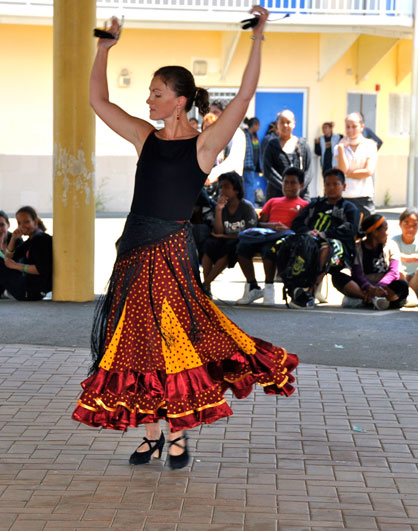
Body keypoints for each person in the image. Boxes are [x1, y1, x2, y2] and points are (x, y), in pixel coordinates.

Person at [72, 9, 297, 471]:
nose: (148, 100)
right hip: (133, 253)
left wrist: (257, 39)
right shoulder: (145, 137)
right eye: (149, 92)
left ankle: (176, 433)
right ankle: (153, 435)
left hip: (170, 256)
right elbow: (97, 100)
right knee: (134, 341)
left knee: (173, 341)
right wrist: (103, 49)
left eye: (156, 93)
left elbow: (244, 96)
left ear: (179, 101)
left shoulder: (204, 145)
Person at [287, 168, 360, 308]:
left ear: (343, 186)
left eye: (335, 184)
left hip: (339, 248)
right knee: (287, 243)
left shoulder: (349, 208)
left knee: (325, 247)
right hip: (311, 240)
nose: (331, 188)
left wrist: (325, 234)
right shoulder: (315, 205)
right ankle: (293, 288)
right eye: (327, 184)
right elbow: (297, 223)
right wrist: (309, 232)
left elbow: (350, 229)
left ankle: (310, 292)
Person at [236, 167, 307, 306]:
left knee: (269, 250)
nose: (288, 186)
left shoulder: (304, 205)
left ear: (301, 185)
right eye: (286, 182)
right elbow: (260, 222)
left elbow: (303, 227)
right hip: (265, 235)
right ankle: (252, 285)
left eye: (293, 183)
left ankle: (269, 286)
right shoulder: (273, 201)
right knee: (242, 247)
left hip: (285, 239)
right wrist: (272, 225)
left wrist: (287, 229)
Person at [200, 172, 257, 296]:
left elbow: (250, 233)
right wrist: (219, 210)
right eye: (220, 187)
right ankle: (206, 287)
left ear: (236, 190)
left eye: (226, 187)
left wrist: (225, 236)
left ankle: (204, 285)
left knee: (229, 248)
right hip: (224, 239)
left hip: (240, 241)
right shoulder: (221, 207)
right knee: (208, 245)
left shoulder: (246, 207)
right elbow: (218, 231)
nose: (222, 190)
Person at [338, 214, 409, 310]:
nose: (387, 233)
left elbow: (394, 272)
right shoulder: (358, 247)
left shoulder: (391, 245)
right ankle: (369, 298)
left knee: (402, 285)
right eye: (385, 229)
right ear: (375, 232)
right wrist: (369, 288)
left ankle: (371, 300)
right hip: (364, 288)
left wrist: (380, 287)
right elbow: (357, 274)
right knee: (338, 277)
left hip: (385, 288)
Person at [262, 110, 312, 200]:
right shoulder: (272, 145)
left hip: (300, 196)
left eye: (288, 122)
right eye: (282, 122)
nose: (285, 125)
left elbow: (309, 171)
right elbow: (268, 171)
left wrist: (298, 188)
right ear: (277, 124)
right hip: (276, 195)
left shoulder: (303, 145)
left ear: (294, 124)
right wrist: (285, 187)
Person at [336, 112, 378, 219]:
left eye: (354, 126)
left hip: (363, 196)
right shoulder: (339, 147)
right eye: (348, 127)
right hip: (344, 196)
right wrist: (341, 149)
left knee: (368, 227)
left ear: (362, 127)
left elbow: (368, 171)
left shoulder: (370, 145)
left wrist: (347, 174)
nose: (350, 130)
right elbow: (342, 170)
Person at [206, 101, 246, 186]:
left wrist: (211, 175)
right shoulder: (212, 134)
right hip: (213, 185)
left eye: (215, 112)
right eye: (210, 113)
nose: (212, 115)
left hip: (231, 185)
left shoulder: (236, 133)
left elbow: (233, 161)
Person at [242, 117, 264, 205]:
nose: (259, 128)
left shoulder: (254, 136)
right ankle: (249, 204)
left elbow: (256, 150)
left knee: (250, 185)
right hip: (246, 165)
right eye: (258, 126)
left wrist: (259, 166)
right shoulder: (245, 134)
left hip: (252, 166)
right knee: (248, 186)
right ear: (254, 125)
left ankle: (248, 203)